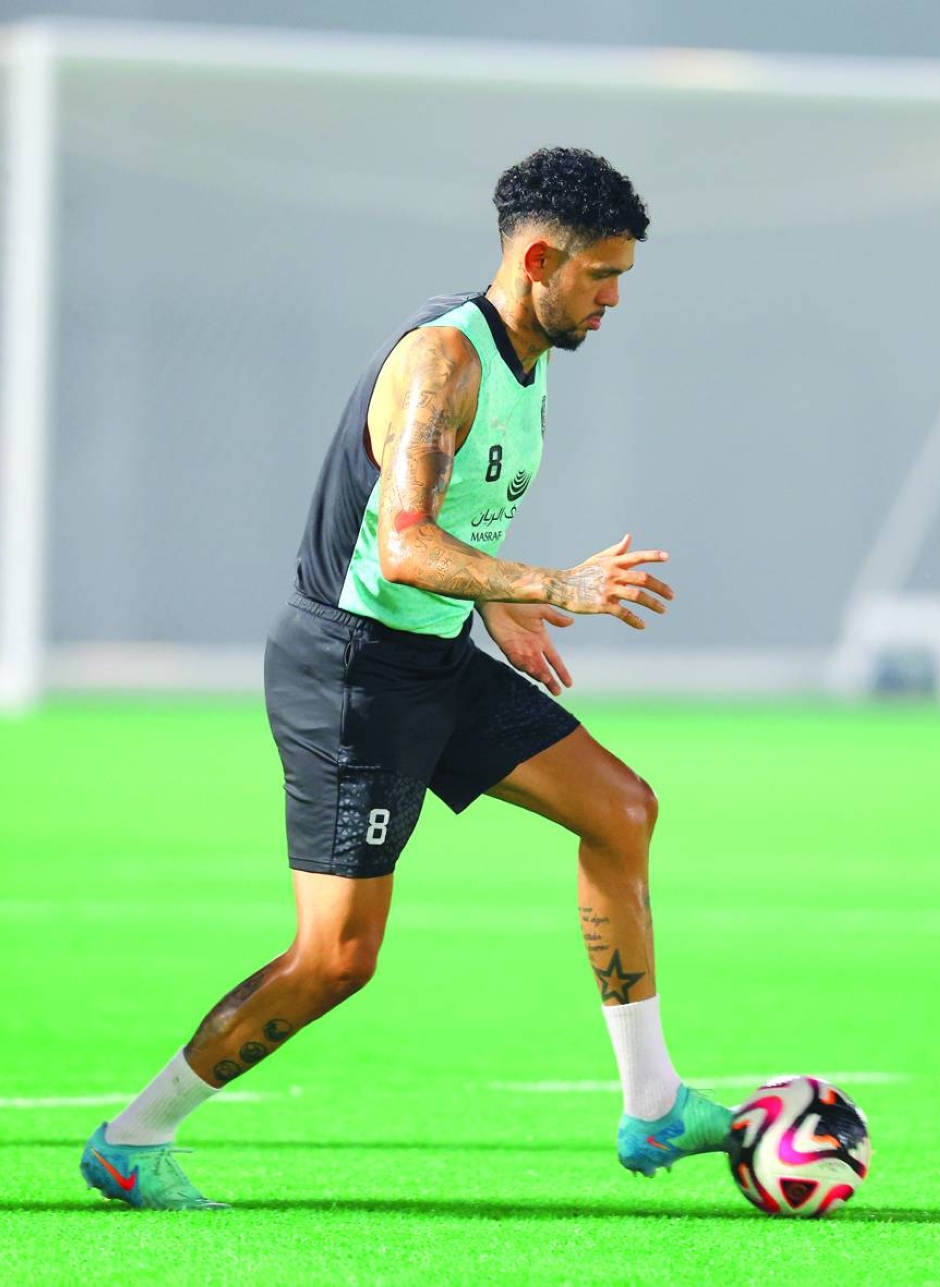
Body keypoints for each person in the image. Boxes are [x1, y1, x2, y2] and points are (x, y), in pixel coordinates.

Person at [80, 146, 732, 1210]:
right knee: (336, 961)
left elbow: (449, 529)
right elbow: (402, 545)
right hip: (351, 674)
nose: (613, 298)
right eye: (600, 275)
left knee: (620, 810)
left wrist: (497, 602)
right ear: (536, 260)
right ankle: (133, 1138)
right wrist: (551, 585)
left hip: (432, 653)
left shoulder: (534, 353)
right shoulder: (445, 360)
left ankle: (651, 1103)